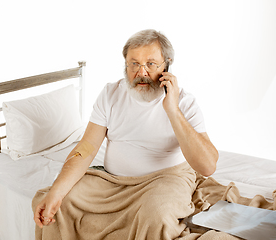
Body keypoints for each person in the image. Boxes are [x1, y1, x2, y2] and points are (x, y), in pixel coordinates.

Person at [33, 29, 219, 238]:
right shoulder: (110, 94)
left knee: (155, 216)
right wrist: (57, 191)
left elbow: (208, 166)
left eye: (150, 63)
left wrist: (173, 110)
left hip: (165, 180)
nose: (141, 72)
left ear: (166, 65)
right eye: (134, 63)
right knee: (56, 202)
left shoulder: (184, 102)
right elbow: (86, 148)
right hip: (112, 183)